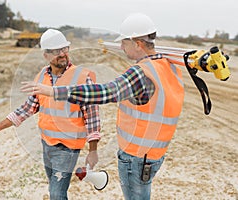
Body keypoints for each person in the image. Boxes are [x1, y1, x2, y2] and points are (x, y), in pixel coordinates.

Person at [21, 13, 185, 200]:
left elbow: (106, 92)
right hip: (155, 153)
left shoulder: (140, 72)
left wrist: (54, 92)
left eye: (124, 42)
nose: (121, 47)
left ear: (137, 43)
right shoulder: (168, 66)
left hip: (136, 157)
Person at [0, 29, 101, 200]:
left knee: (56, 193)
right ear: (46, 55)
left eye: (64, 49)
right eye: (56, 51)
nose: (62, 54)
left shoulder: (81, 77)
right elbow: (27, 108)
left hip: (68, 147)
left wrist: (93, 150)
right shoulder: (42, 77)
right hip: (47, 144)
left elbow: (92, 116)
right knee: (54, 188)